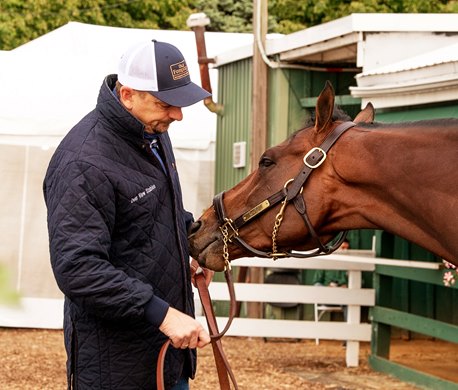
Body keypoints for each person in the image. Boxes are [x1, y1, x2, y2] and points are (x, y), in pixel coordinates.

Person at [43, 40, 214, 390]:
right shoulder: (83, 162)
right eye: (166, 104)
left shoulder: (150, 132)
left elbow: (155, 211)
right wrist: (162, 314)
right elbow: (78, 268)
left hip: (166, 359)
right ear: (127, 95)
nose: (177, 115)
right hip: (117, 370)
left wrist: (189, 249)